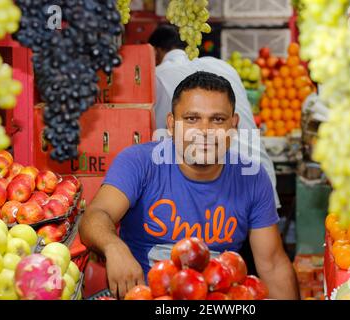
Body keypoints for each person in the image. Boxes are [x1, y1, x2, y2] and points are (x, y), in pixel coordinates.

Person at [79, 72, 299, 300]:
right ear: (172, 125)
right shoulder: (140, 162)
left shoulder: (251, 177)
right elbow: (95, 215)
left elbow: (272, 264)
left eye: (218, 119)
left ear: (233, 126)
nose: (204, 131)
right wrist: (114, 247)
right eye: (192, 119)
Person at [148, 24, 281, 209]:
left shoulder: (157, 76)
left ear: (155, 51)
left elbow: (163, 136)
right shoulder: (222, 66)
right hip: (259, 170)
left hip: (223, 181)